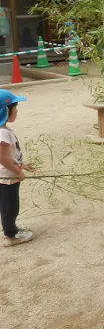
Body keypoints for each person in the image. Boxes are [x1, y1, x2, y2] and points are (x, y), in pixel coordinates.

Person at [0, 90, 35, 247]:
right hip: (8, 177)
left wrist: (21, 165)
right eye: (15, 107)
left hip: (9, 173)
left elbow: (8, 156)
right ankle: (11, 235)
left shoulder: (4, 131)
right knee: (10, 205)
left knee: (8, 204)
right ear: (5, 111)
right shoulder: (3, 133)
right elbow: (1, 157)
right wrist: (18, 172)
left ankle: (10, 229)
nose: (17, 110)